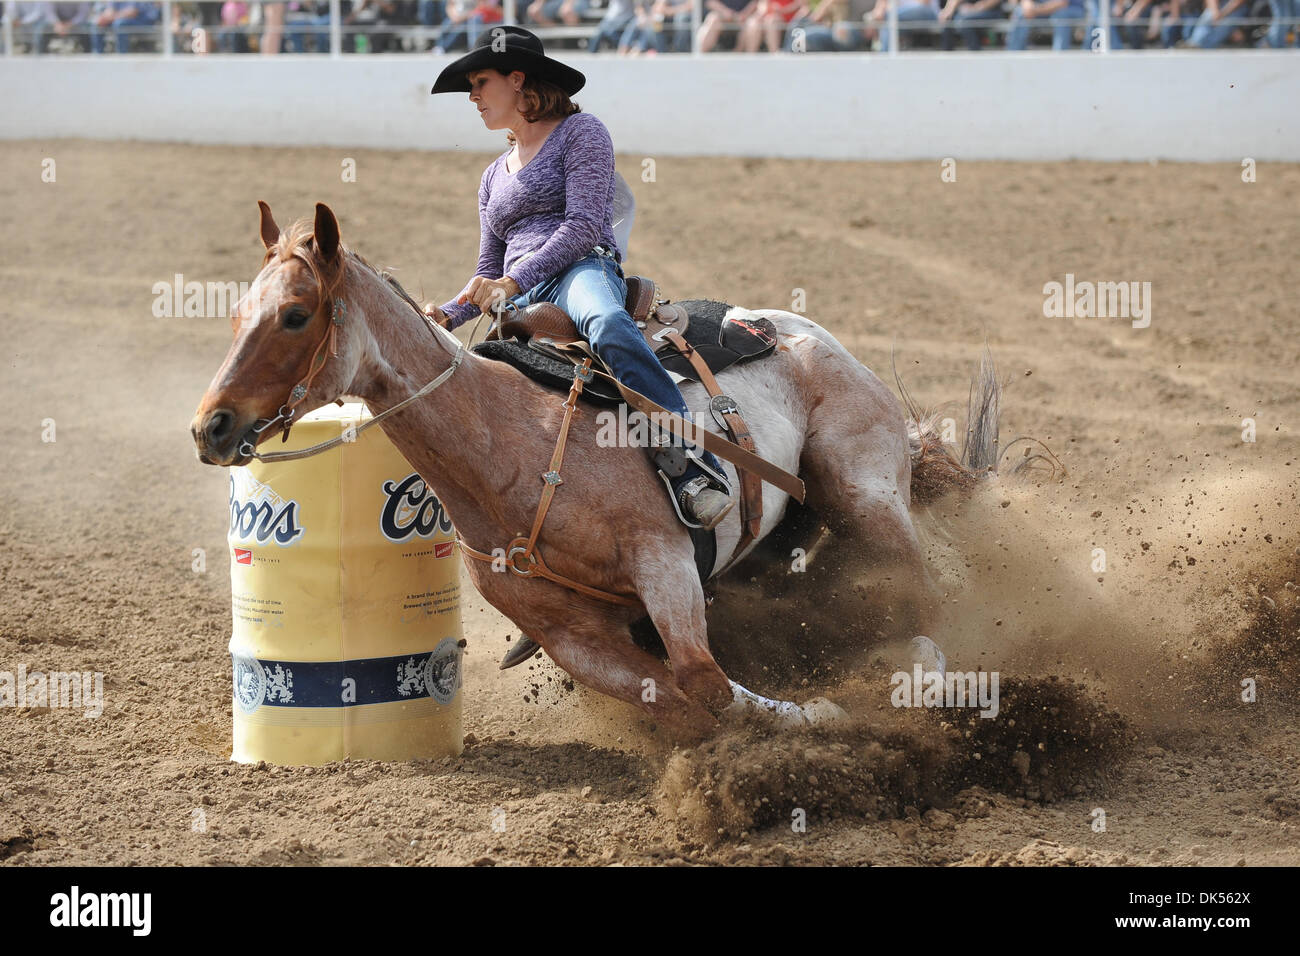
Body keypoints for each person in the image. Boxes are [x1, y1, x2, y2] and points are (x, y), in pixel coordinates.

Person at [427, 26, 735, 531]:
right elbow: (486, 270)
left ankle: (692, 466)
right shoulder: (492, 175)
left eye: (480, 81)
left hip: (578, 270)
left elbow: (585, 224)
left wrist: (513, 281)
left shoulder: (582, 132)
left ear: (518, 79)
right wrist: (447, 313)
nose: (473, 96)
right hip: (516, 291)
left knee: (609, 324)